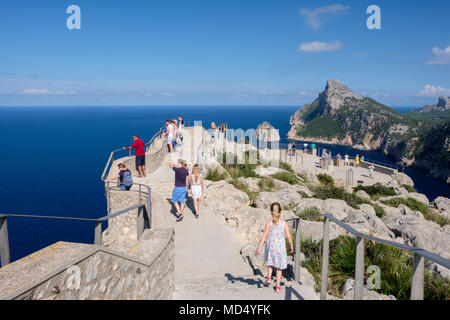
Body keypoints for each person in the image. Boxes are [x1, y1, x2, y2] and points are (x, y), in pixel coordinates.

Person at [255, 202, 294, 293]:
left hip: (271, 246)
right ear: (280, 211)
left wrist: (259, 248)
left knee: (271, 263)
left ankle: (269, 278)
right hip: (280, 247)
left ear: (270, 212)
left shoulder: (269, 222)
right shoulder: (284, 223)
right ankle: (277, 286)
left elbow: (264, 235)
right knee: (279, 267)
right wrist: (291, 245)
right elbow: (288, 236)